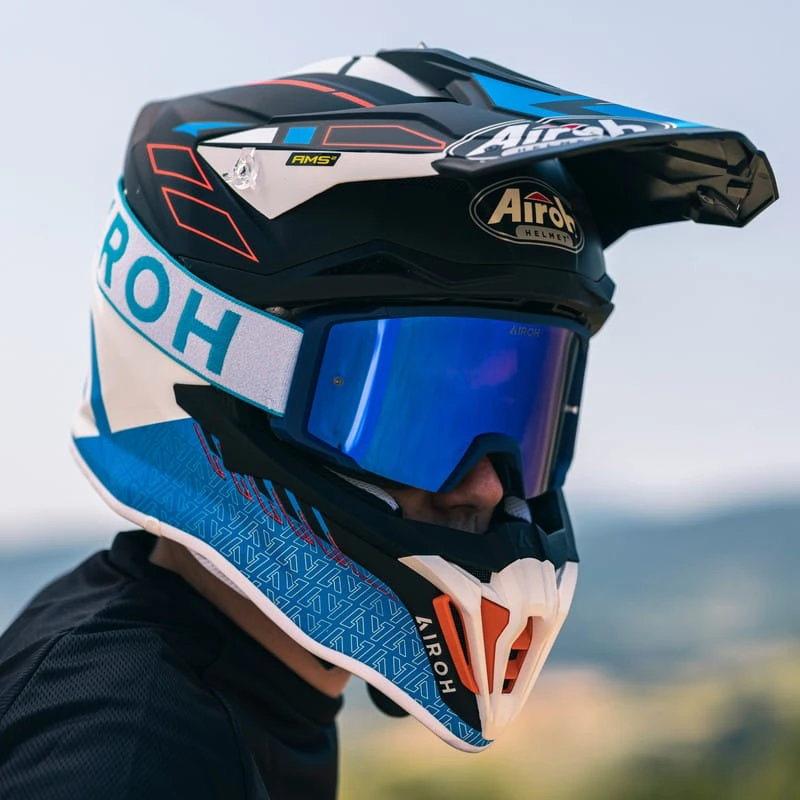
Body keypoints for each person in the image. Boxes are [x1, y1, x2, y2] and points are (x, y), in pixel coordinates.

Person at [0, 46, 778, 799]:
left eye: (522, 410)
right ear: (213, 354)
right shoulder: (128, 751)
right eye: (419, 408)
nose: (487, 486)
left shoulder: (226, 673)